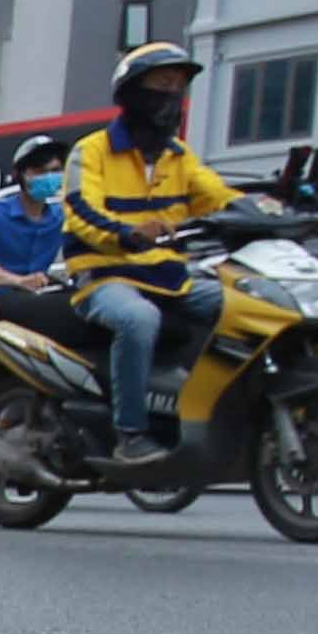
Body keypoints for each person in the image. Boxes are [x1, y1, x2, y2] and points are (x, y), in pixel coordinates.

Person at [54, 40, 233, 471]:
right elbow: (80, 210)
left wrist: (275, 211)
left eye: (178, 88)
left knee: (241, 305)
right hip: (104, 275)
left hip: (169, 276)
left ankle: (193, 409)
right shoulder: (91, 150)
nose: (171, 97)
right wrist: (128, 234)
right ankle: (130, 434)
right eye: (162, 86)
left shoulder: (179, 157)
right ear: (133, 94)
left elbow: (220, 198)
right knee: (138, 320)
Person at [0, 135, 75, 303]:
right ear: (20, 175)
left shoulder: (61, 217)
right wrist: (19, 281)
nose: (49, 177)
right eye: (40, 171)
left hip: (38, 301)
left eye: (55, 170)